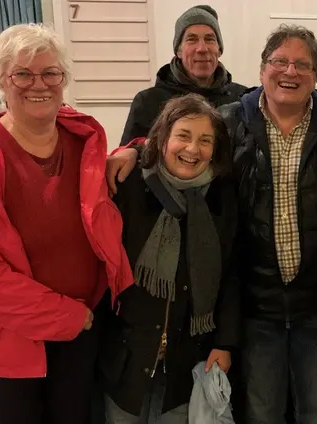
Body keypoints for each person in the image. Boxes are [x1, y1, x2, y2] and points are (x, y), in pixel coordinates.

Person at [0, 23, 133, 424]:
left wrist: (136, 149)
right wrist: (67, 317)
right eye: (23, 74)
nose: (39, 84)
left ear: (63, 80)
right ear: (1, 80)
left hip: (82, 333)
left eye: (50, 73)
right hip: (10, 342)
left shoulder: (82, 140)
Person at [217, 24, 317, 424]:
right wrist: (134, 151)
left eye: (303, 64)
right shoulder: (227, 123)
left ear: (316, 75)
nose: (290, 71)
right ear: (262, 68)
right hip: (256, 308)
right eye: (280, 61)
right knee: (261, 412)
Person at [99, 94, 239, 424]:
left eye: (205, 140)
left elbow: (232, 274)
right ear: (162, 139)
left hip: (187, 359)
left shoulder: (221, 197)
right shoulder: (128, 186)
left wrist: (225, 343)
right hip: (126, 358)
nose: (192, 149)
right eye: (183, 136)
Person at [120, 5, 247, 145]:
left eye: (209, 39)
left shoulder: (242, 99)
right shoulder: (148, 102)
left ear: (219, 50)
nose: (202, 48)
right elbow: (129, 154)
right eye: (192, 39)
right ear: (178, 51)